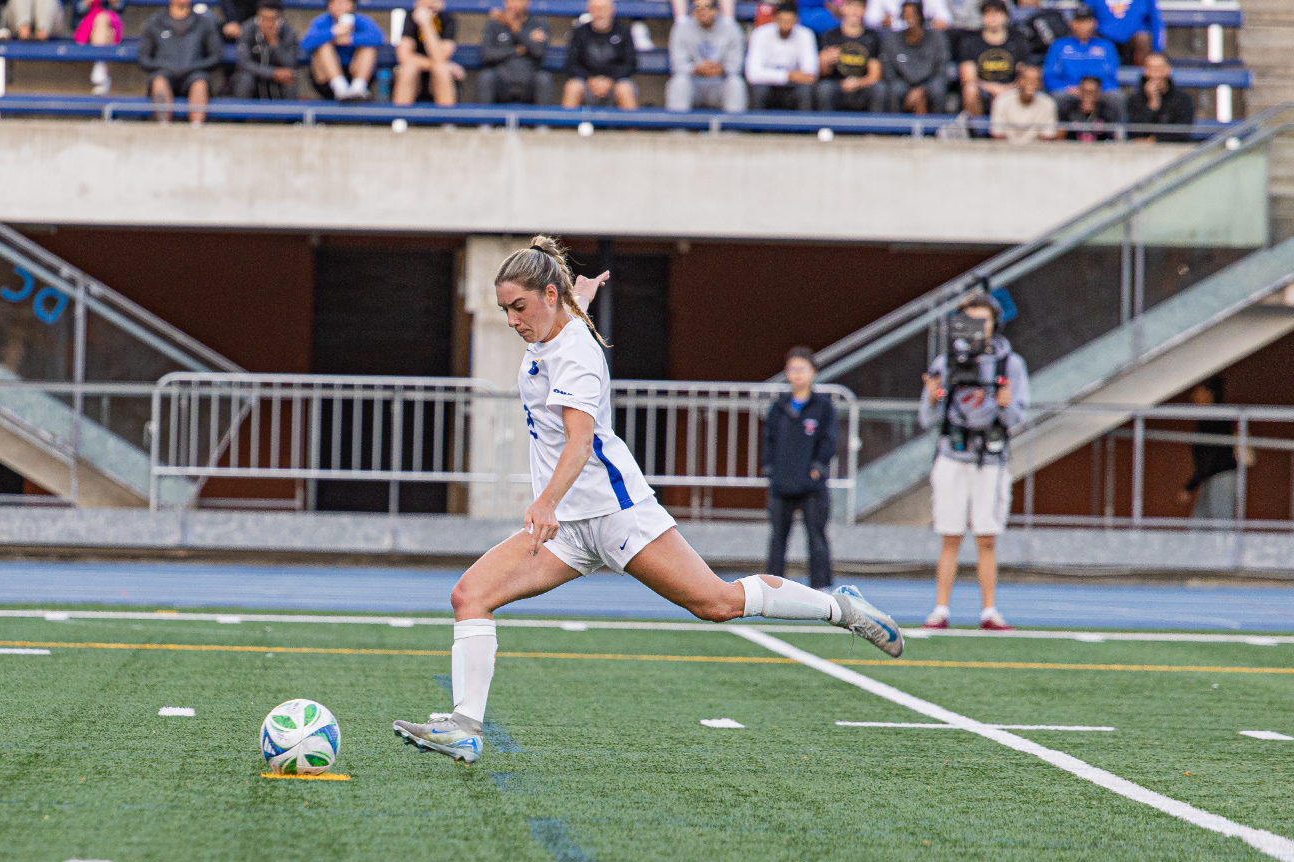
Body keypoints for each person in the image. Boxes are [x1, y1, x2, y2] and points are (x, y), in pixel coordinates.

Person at [391, 237, 904, 765]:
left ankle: (841, 608)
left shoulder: (576, 355)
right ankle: (465, 727)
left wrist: (543, 504)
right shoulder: (555, 325)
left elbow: (579, 443)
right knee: (470, 595)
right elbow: (564, 321)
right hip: (569, 529)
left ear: (548, 295)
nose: (511, 321)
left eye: (518, 307)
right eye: (504, 310)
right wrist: (579, 298)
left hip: (617, 515)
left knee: (717, 603)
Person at [919, 294, 1027, 630]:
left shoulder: (1010, 363)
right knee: (950, 535)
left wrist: (1005, 404)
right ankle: (940, 609)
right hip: (953, 455)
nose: (978, 328)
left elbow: (1016, 417)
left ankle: (989, 611)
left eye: (984, 321)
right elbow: (927, 418)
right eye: (970, 321)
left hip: (990, 459)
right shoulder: (946, 362)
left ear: (995, 324)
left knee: (987, 537)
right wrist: (934, 397)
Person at [764, 347, 839, 591]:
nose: (797, 374)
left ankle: (821, 587)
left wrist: (818, 467)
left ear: (813, 372)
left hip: (811, 484)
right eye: (792, 369)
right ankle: (772, 586)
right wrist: (770, 469)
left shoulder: (823, 407)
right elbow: (769, 440)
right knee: (778, 537)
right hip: (782, 482)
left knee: (817, 536)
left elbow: (829, 441)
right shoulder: (779, 407)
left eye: (802, 369)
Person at [138, 0, 222, 123]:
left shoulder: (203, 22)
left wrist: (192, 66)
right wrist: (166, 66)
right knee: (159, 82)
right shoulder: (156, 21)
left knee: (200, 84)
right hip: (165, 73)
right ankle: (163, 126)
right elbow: (143, 58)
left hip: (194, 73)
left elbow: (216, 56)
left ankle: (197, 127)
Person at [1180, 377, 1248, 521]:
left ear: (1209, 393)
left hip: (1221, 476)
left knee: (1221, 522)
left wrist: (1190, 486)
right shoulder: (1211, 418)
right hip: (1212, 476)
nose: (1193, 397)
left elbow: (1210, 455)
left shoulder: (1213, 419)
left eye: (1197, 392)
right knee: (1200, 521)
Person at [667, 0, 747, 113]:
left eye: (706, 7)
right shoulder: (682, 29)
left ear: (715, 10)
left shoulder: (731, 29)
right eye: (698, 8)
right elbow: (677, 64)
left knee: (735, 82)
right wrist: (696, 69)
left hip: (720, 83)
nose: (702, 12)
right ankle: (677, 124)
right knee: (679, 81)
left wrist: (721, 68)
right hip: (694, 82)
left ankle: (733, 124)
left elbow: (736, 64)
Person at [955, 0, 1030, 115]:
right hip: (983, 90)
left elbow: (1025, 74)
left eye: (997, 13)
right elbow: (968, 77)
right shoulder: (970, 43)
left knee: (1029, 85)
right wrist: (993, 88)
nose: (993, 18)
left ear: (1006, 16)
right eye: (988, 14)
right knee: (970, 89)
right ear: (982, 17)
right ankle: (975, 126)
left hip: (1012, 89)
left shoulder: (1018, 41)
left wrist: (1006, 89)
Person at [562, 0, 639, 110]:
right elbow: (572, 64)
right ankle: (567, 121)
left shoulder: (624, 32)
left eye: (603, 9)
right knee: (572, 87)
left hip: (616, 83)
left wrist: (610, 80)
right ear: (589, 11)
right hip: (586, 83)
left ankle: (632, 121)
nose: (599, 13)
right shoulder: (579, 32)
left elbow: (630, 63)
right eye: (595, 9)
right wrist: (590, 80)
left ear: (612, 11)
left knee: (625, 88)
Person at [301, 0, 385, 101]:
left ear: (352, 4)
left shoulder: (361, 20)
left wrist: (350, 39)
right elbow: (305, 43)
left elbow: (378, 38)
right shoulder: (321, 21)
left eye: (343, 2)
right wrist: (333, 32)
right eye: (334, 3)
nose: (338, 6)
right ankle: (340, 87)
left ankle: (358, 88)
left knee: (368, 48)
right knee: (323, 46)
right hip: (327, 80)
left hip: (355, 75)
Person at [746, 0, 819, 110]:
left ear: (797, 20)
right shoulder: (760, 34)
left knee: (805, 90)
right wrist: (788, 76)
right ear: (775, 19)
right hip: (767, 85)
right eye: (782, 21)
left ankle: (805, 121)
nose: (786, 25)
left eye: (789, 21)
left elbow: (810, 74)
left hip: (793, 87)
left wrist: (794, 77)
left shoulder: (806, 35)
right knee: (758, 90)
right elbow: (752, 74)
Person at [477, 0, 553, 105]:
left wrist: (515, 28)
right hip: (502, 81)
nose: (513, 5)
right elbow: (486, 55)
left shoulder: (538, 23)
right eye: (510, 1)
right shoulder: (494, 24)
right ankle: (483, 116)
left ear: (526, 3)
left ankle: (543, 116)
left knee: (544, 78)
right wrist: (515, 50)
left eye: (518, 1)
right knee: (486, 77)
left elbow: (538, 52)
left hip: (529, 82)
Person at [817, 0, 887, 112]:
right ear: (842, 9)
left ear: (864, 10)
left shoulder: (873, 37)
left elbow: (875, 75)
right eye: (850, 6)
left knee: (880, 88)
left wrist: (858, 83)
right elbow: (822, 73)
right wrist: (827, 61)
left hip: (863, 86)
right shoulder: (830, 36)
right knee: (824, 88)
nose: (854, 11)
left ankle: (876, 124)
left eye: (858, 7)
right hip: (836, 85)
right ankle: (825, 123)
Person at [1041, 7, 1119, 106]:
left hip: (1099, 92)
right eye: (1079, 22)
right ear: (1071, 24)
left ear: (1094, 23)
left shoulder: (1106, 46)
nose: (1083, 26)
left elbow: (1111, 78)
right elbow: (1049, 77)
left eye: (1086, 22)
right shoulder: (1059, 45)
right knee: (1058, 96)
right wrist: (1068, 88)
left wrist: (1096, 89)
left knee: (1115, 97)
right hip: (1070, 92)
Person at [884, 0, 952, 113]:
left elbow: (942, 70)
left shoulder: (937, 38)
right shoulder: (892, 40)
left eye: (913, 13)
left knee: (937, 89)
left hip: (930, 84)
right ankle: (895, 124)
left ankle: (936, 123)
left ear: (920, 15)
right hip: (903, 84)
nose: (910, 18)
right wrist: (909, 90)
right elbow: (889, 71)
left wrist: (923, 90)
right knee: (895, 89)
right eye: (906, 14)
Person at [393, 0, 464, 105]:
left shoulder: (448, 19)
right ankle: (401, 115)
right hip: (416, 76)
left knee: (441, 71)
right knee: (408, 70)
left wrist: (426, 24)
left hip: (437, 80)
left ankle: (446, 115)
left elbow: (440, 57)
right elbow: (403, 57)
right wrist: (444, 65)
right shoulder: (410, 17)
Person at [231, 0, 299, 99]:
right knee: (245, 79)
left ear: (279, 20)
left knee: (290, 81)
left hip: (279, 81)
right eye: (263, 18)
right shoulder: (247, 29)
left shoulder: (288, 32)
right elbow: (244, 63)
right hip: (255, 76)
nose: (266, 23)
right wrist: (273, 73)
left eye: (271, 19)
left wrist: (275, 43)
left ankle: (288, 109)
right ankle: (241, 108)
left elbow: (290, 63)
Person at [1125, 52, 1193, 142]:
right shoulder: (1134, 100)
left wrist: (1154, 140)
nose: (1155, 74)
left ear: (1168, 70)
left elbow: (1182, 132)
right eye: (1151, 68)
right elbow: (1136, 132)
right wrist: (1153, 104)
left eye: (1159, 68)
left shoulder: (1183, 100)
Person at [989, 61, 1056, 140]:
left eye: (1035, 80)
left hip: (1037, 147)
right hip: (1006, 147)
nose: (1031, 84)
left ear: (1040, 84)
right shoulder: (1001, 101)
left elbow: (1047, 136)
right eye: (1026, 79)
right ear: (1018, 80)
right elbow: (997, 134)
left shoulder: (1048, 103)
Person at [1086, 0, 1161, 64]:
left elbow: (1155, 21)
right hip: (1103, 36)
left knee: (1143, 39)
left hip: (1132, 39)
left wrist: (1157, 50)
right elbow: (1086, 16)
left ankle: (1140, 74)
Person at [76, 0, 124, 94]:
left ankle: (99, 69)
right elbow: (78, 10)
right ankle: (101, 70)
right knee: (101, 20)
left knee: (102, 19)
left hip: (111, 25)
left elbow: (120, 7)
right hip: (87, 25)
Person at [1059, 74, 1120, 140]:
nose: (1087, 96)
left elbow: (1117, 138)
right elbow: (1059, 137)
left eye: (1092, 92)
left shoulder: (1108, 112)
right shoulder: (1068, 109)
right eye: (1084, 92)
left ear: (1099, 93)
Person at [863, 0, 947, 32]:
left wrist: (939, 22)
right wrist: (882, 20)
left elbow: (945, 18)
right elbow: (869, 19)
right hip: (893, 35)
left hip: (924, 35)